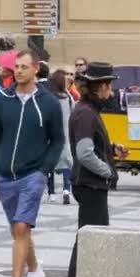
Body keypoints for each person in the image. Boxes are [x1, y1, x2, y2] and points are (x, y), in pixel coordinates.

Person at [0, 50, 64, 277]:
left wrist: (44, 169)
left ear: (35, 70)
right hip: (4, 176)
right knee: (16, 229)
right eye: (16, 67)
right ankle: (35, 269)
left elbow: (58, 140)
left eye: (24, 67)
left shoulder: (49, 103)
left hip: (33, 174)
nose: (19, 71)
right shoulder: (1, 101)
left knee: (22, 227)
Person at [63, 62, 128, 277]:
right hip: (90, 184)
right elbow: (85, 153)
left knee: (89, 240)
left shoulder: (87, 110)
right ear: (100, 86)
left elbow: (91, 147)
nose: (111, 92)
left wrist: (112, 149)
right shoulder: (86, 113)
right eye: (109, 86)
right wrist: (108, 171)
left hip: (89, 184)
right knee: (92, 241)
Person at [46, 70, 75, 205]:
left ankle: (51, 193)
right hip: (66, 133)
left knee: (50, 163)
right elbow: (73, 113)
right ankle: (66, 190)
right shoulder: (68, 97)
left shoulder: (48, 97)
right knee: (66, 163)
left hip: (51, 134)